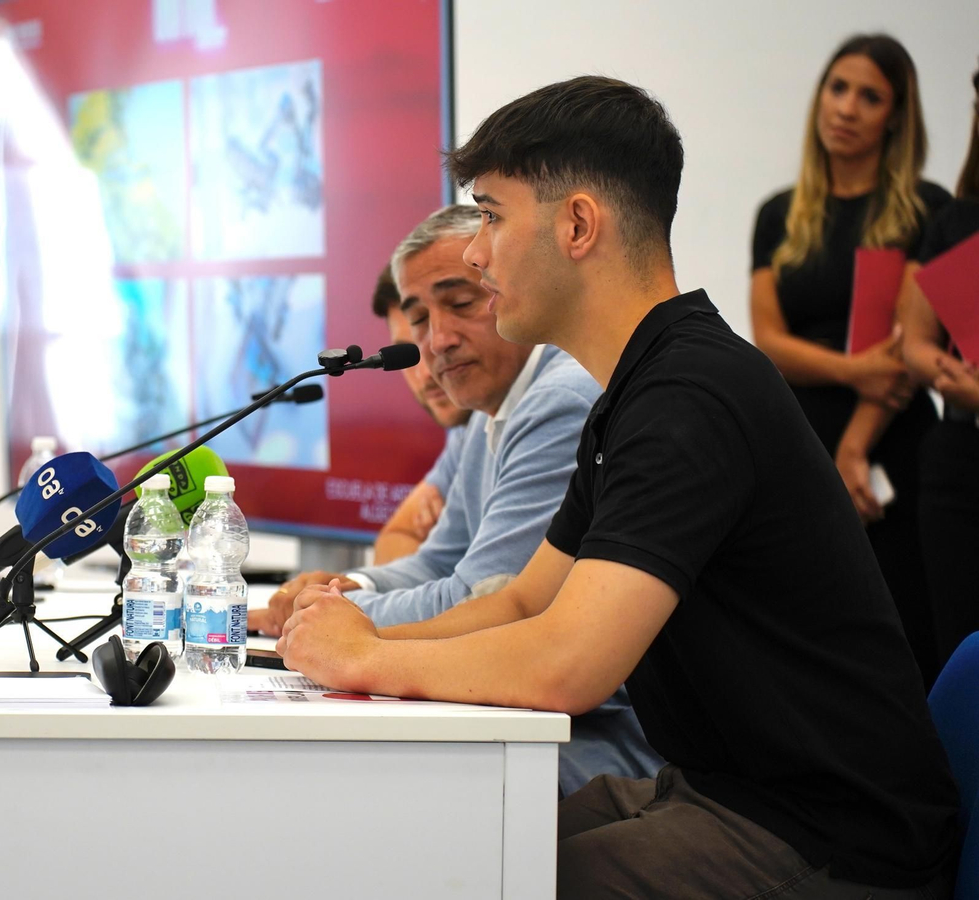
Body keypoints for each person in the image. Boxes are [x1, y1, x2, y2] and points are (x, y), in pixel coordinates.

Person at [277, 76, 958, 897]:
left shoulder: (691, 398)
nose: (478, 253)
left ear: (577, 225)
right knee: (444, 852)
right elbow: (522, 602)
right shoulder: (637, 392)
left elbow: (568, 665)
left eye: (491, 217)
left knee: (479, 879)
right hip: (725, 793)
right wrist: (362, 642)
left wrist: (367, 657)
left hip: (831, 837)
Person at [260, 205, 661, 795]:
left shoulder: (561, 399)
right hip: (540, 712)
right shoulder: (488, 408)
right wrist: (344, 593)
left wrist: (335, 626)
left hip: (604, 735)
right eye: (419, 319)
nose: (437, 341)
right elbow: (437, 561)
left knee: (369, 782)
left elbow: (485, 595)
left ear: (503, 288)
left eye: (462, 303)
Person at [749, 34, 951, 688]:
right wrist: (852, 370)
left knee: (903, 630)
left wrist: (856, 447)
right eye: (838, 88)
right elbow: (769, 341)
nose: (846, 108)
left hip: (889, 441)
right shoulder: (780, 214)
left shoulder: (927, 209)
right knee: (801, 631)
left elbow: (906, 348)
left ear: (896, 116)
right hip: (799, 441)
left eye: (870, 97)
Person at [900, 60, 979, 670]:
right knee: (957, 642)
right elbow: (915, 342)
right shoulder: (957, 221)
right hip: (960, 456)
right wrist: (943, 370)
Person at [369, 263, 473, 565]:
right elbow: (393, 540)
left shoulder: (547, 405)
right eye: (410, 354)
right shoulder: (465, 433)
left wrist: (441, 545)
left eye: (434, 345)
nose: (426, 373)